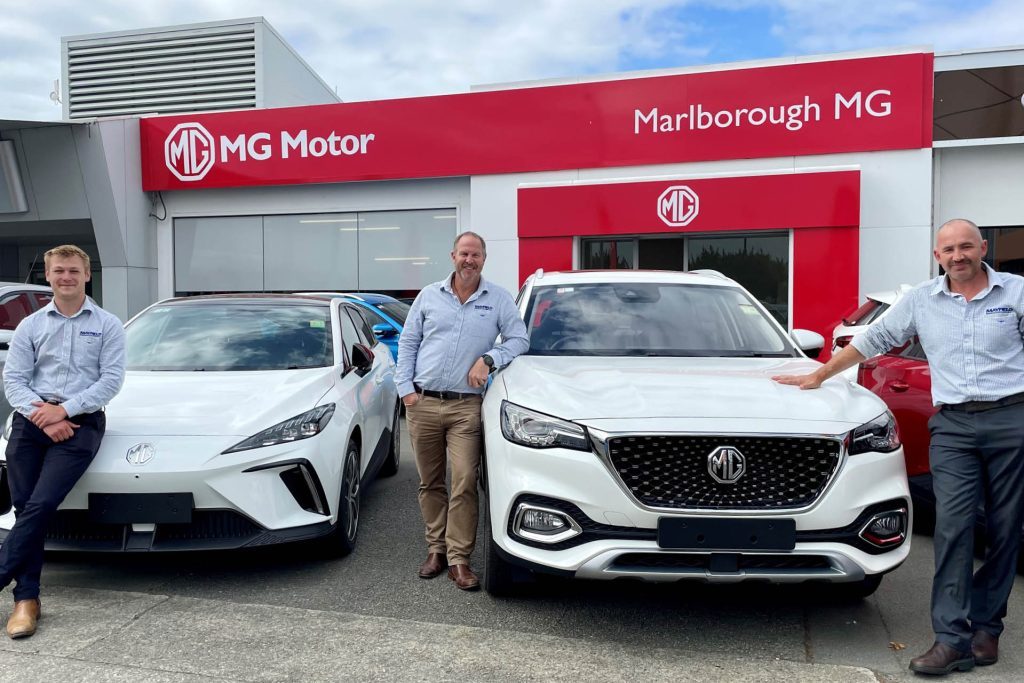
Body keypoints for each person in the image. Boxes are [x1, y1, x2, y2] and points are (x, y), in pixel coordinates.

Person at [773, 219, 1024, 676]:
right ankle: (951, 638)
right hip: (953, 427)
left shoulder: (1016, 293)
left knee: (1007, 529)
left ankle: (987, 628)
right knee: (953, 525)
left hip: (1012, 419)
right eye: (948, 249)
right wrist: (819, 375)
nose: (958, 255)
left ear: (983, 247)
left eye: (966, 246)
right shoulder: (921, 301)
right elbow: (873, 339)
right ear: (937, 256)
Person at [0, 245, 126, 638]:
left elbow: (111, 380)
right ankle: (26, 601)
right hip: (32, 421)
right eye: (59, 271)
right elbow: (14, 379)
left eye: (73, 270)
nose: (66, 277)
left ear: (87, 275)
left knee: (40, 505)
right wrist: (44, 414)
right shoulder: (31, 325)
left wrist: (66, 410)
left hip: (82, 424)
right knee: (25, 507)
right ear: (48, 276)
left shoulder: (108, 325)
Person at [396, 231, 528, 591]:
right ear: (453, 256)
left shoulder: (498, 299)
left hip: (466, 408)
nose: (469, 260)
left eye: (476, 255)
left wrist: (490, 358)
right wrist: (405, 391)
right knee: (430, 482)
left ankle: (458, 558)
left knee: (465, 481)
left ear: (484, 259)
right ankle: (436, 549)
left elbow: (519, 339)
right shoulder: (428, 296)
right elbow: (408, 342)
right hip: (423, 403)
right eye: (464, 254)